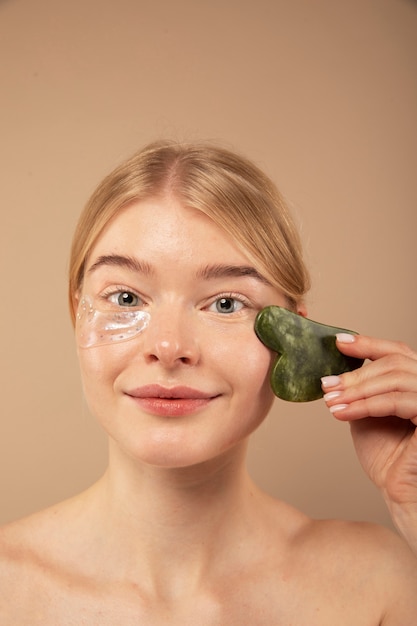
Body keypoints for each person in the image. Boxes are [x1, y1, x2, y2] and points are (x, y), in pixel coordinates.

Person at [0, 140, 416, 624]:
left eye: (225, 304)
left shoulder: (380, 585)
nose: (169, 346)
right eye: (127, 297)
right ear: (78, 316)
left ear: (295, 338)